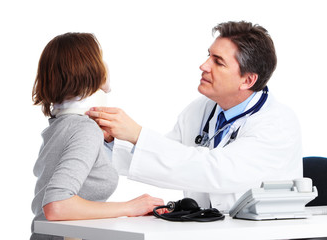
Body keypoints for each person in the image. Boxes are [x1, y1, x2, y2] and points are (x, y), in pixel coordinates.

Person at [86, 21, 302, 212]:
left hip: (262, 233)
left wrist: (138, 135)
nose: (203, 65)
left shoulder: (278, 124)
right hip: (206, 229)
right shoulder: (200, 110)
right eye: (208, 55)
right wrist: (110, 141)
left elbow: (217, 172)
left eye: (218, 62)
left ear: (247, 80)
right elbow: (164, 157)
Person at [31, 32, 164, 240]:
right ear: (89, 68)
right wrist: (130, 207)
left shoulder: (60, 126)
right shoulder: (84, 129)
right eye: (101, 58)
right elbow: (57, 206)